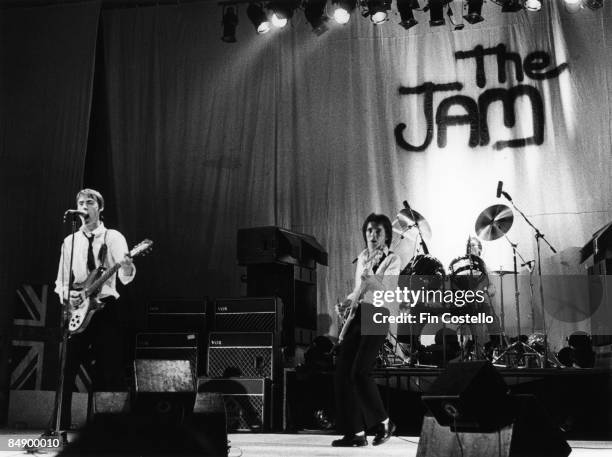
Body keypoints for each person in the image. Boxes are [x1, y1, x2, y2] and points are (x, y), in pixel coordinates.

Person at [53, 188, 135, 429]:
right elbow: (61, 282)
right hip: (78, 308)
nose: (85, 206)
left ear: (99, 208)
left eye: (90, 202)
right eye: (80, 202)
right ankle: (61, 428)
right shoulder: (70, 241)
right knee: (66, 370)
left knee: (110, 370)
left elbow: (125, 277)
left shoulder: (113, 237)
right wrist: (70, 299)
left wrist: (128, 266)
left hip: (105, 308)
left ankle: (110, 430)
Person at [332, 213, 401, 447]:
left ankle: (384, 422)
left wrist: (372, 277)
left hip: (377, 314)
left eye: (378, 231)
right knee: (343, 374)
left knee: (360, 372)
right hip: (359, 315)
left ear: (386, 235)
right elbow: (358, 290)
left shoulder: (392, 259)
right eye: (369, 230)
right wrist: (347, 302)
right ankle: (356, 433)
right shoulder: (362, 257)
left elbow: (386, 291)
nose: (372, 235)